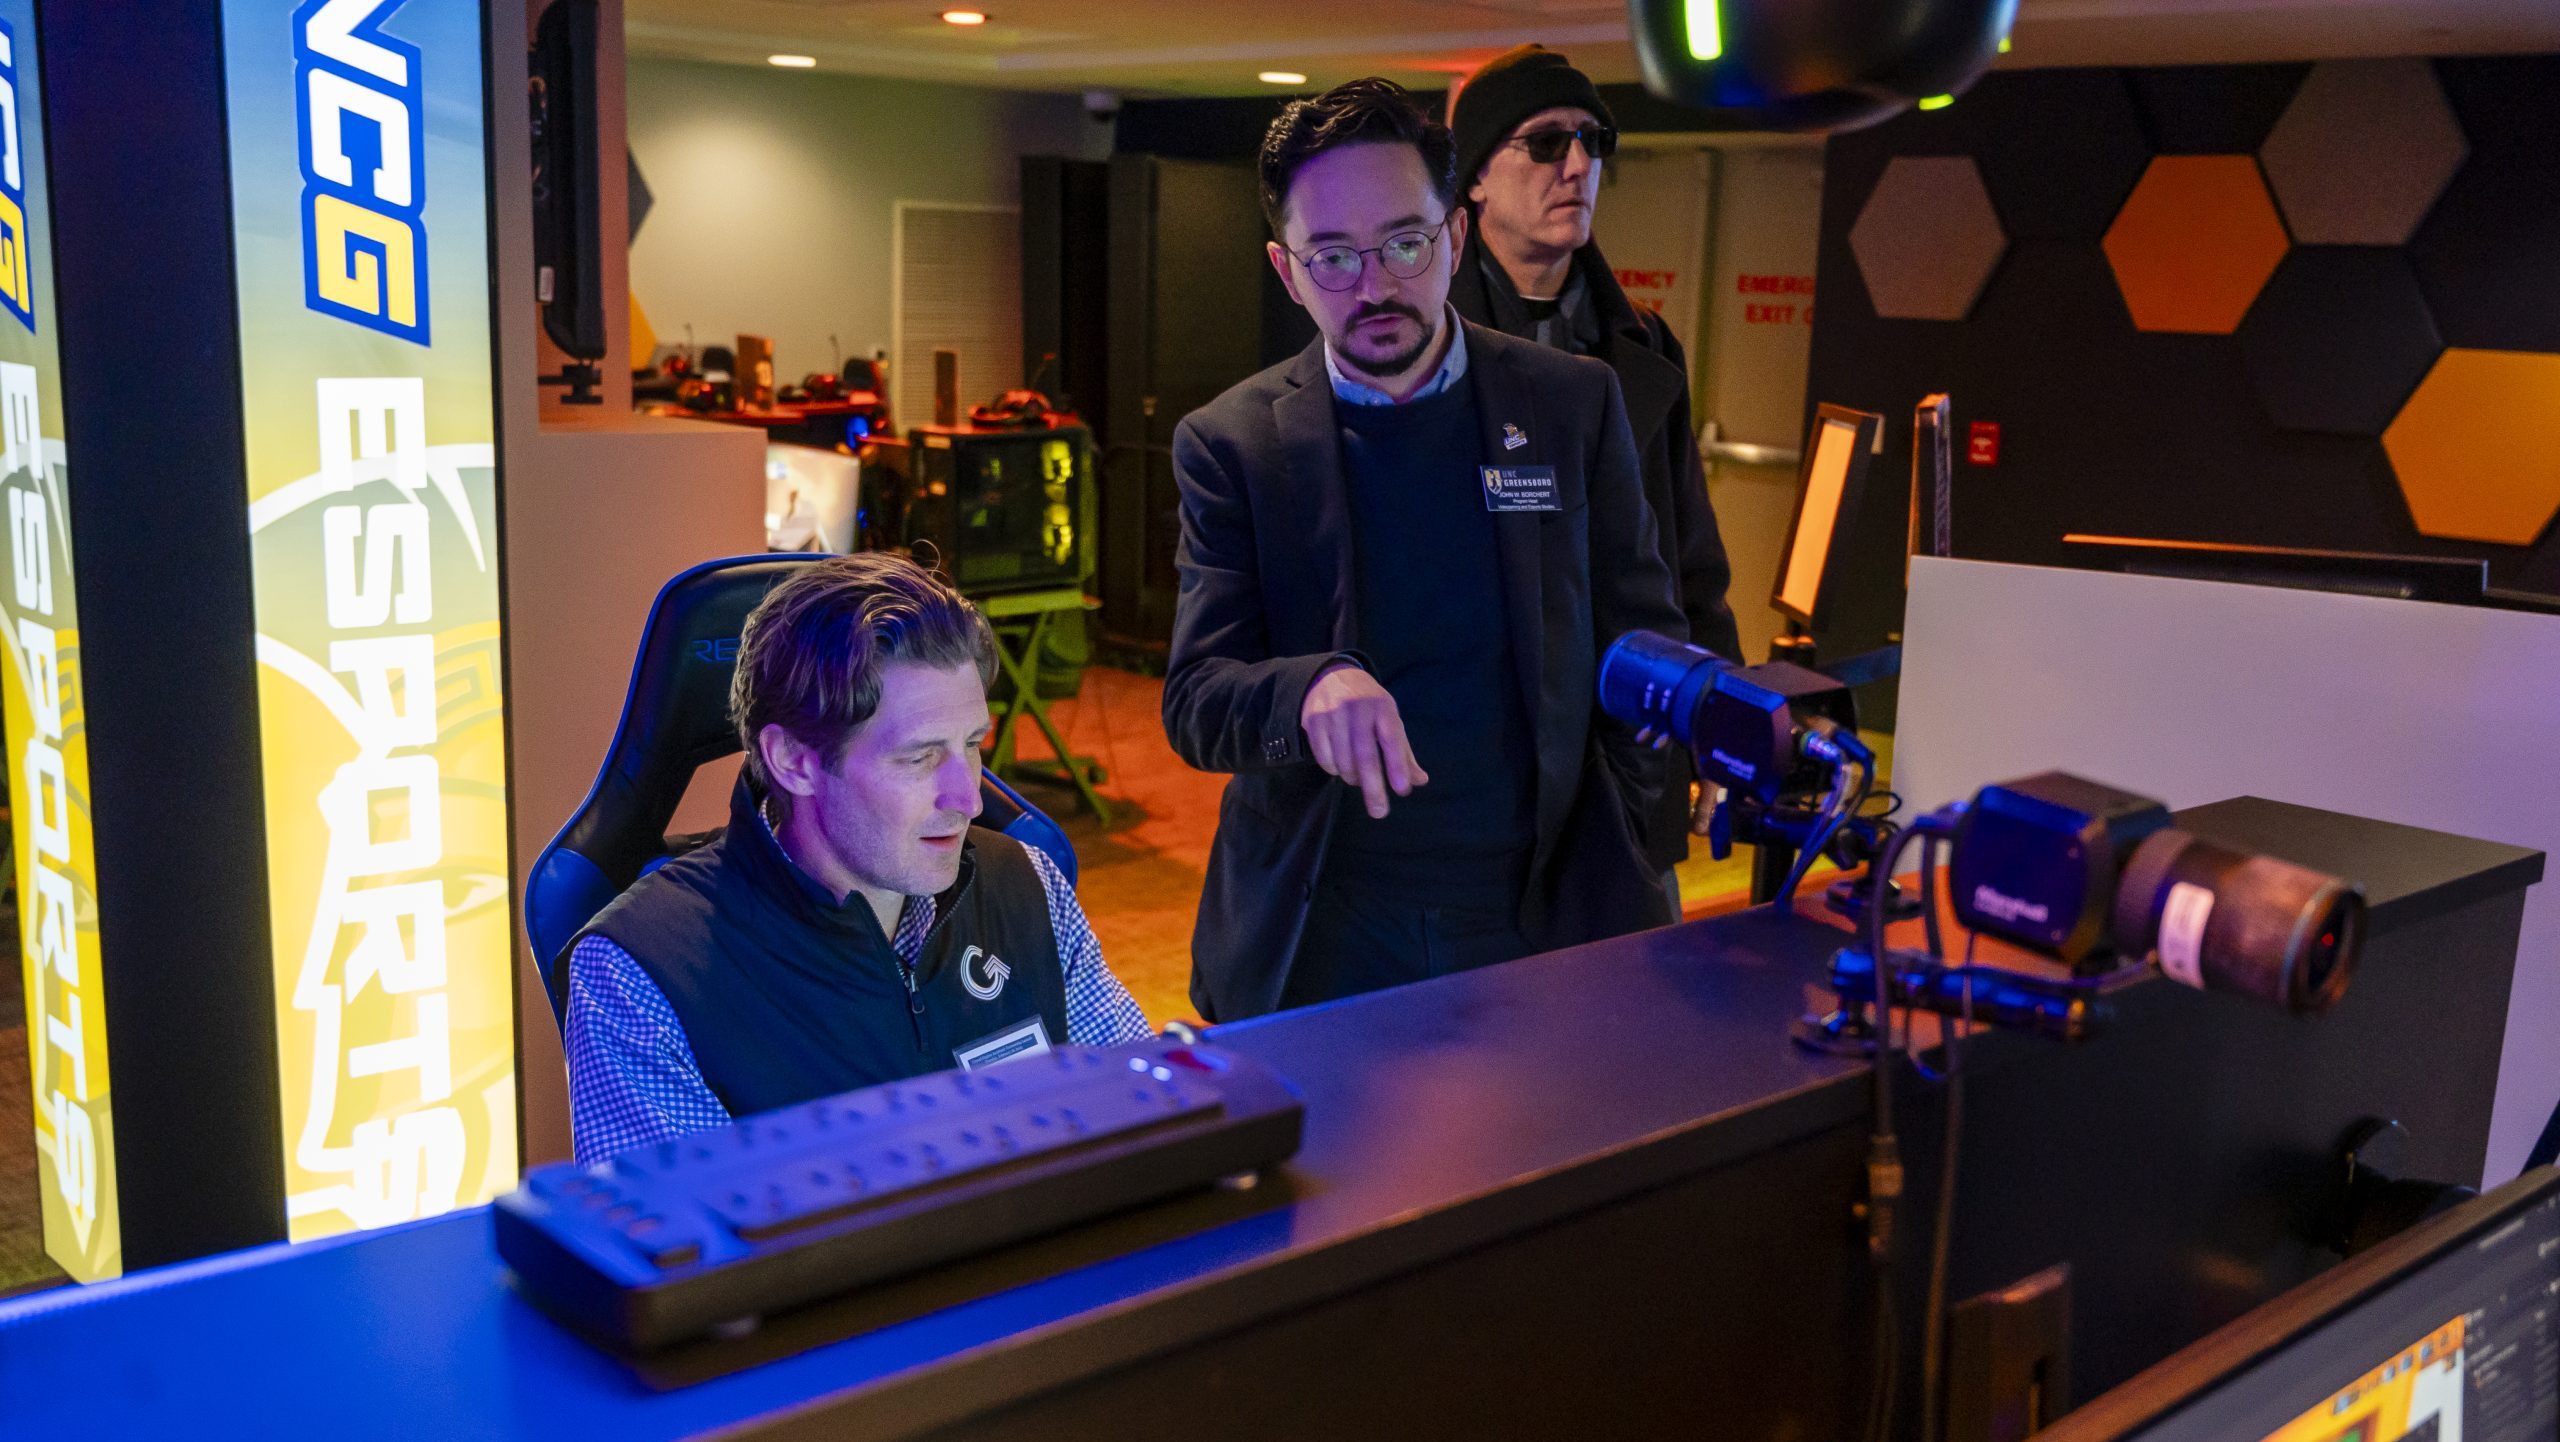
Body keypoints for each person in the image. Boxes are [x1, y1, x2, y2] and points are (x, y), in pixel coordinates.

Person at [1163, 78, 1687, 1023]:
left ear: (1452, 238)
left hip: (1541, 910)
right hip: (1328, 923)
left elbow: (1639, 629)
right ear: (1288, 272)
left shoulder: (1569, 403)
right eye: (1333, 258)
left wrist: (1634, 807)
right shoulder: (1232, 444)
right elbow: (1197, 699)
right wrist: (1309, 687)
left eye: (1404, 243)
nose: (1374, 287)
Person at [561, 554, 1150, 1163]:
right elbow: (688, 1247)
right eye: (919, 758)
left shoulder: (1030, 887)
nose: (969, 798)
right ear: (794, 761)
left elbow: (1146, 1127)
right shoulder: (642, 974)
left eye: (973, 745)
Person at [1450, 45, 1745, 913]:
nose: (1578, 164)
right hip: (1472, 773)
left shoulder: (1644, 349)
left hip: (1625, 758)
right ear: (1474, 180)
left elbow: (1692, 567)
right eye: (1544, 144)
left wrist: (1716, 733)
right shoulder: (1425, 352)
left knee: (1628, 1017)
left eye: (1592, 140)